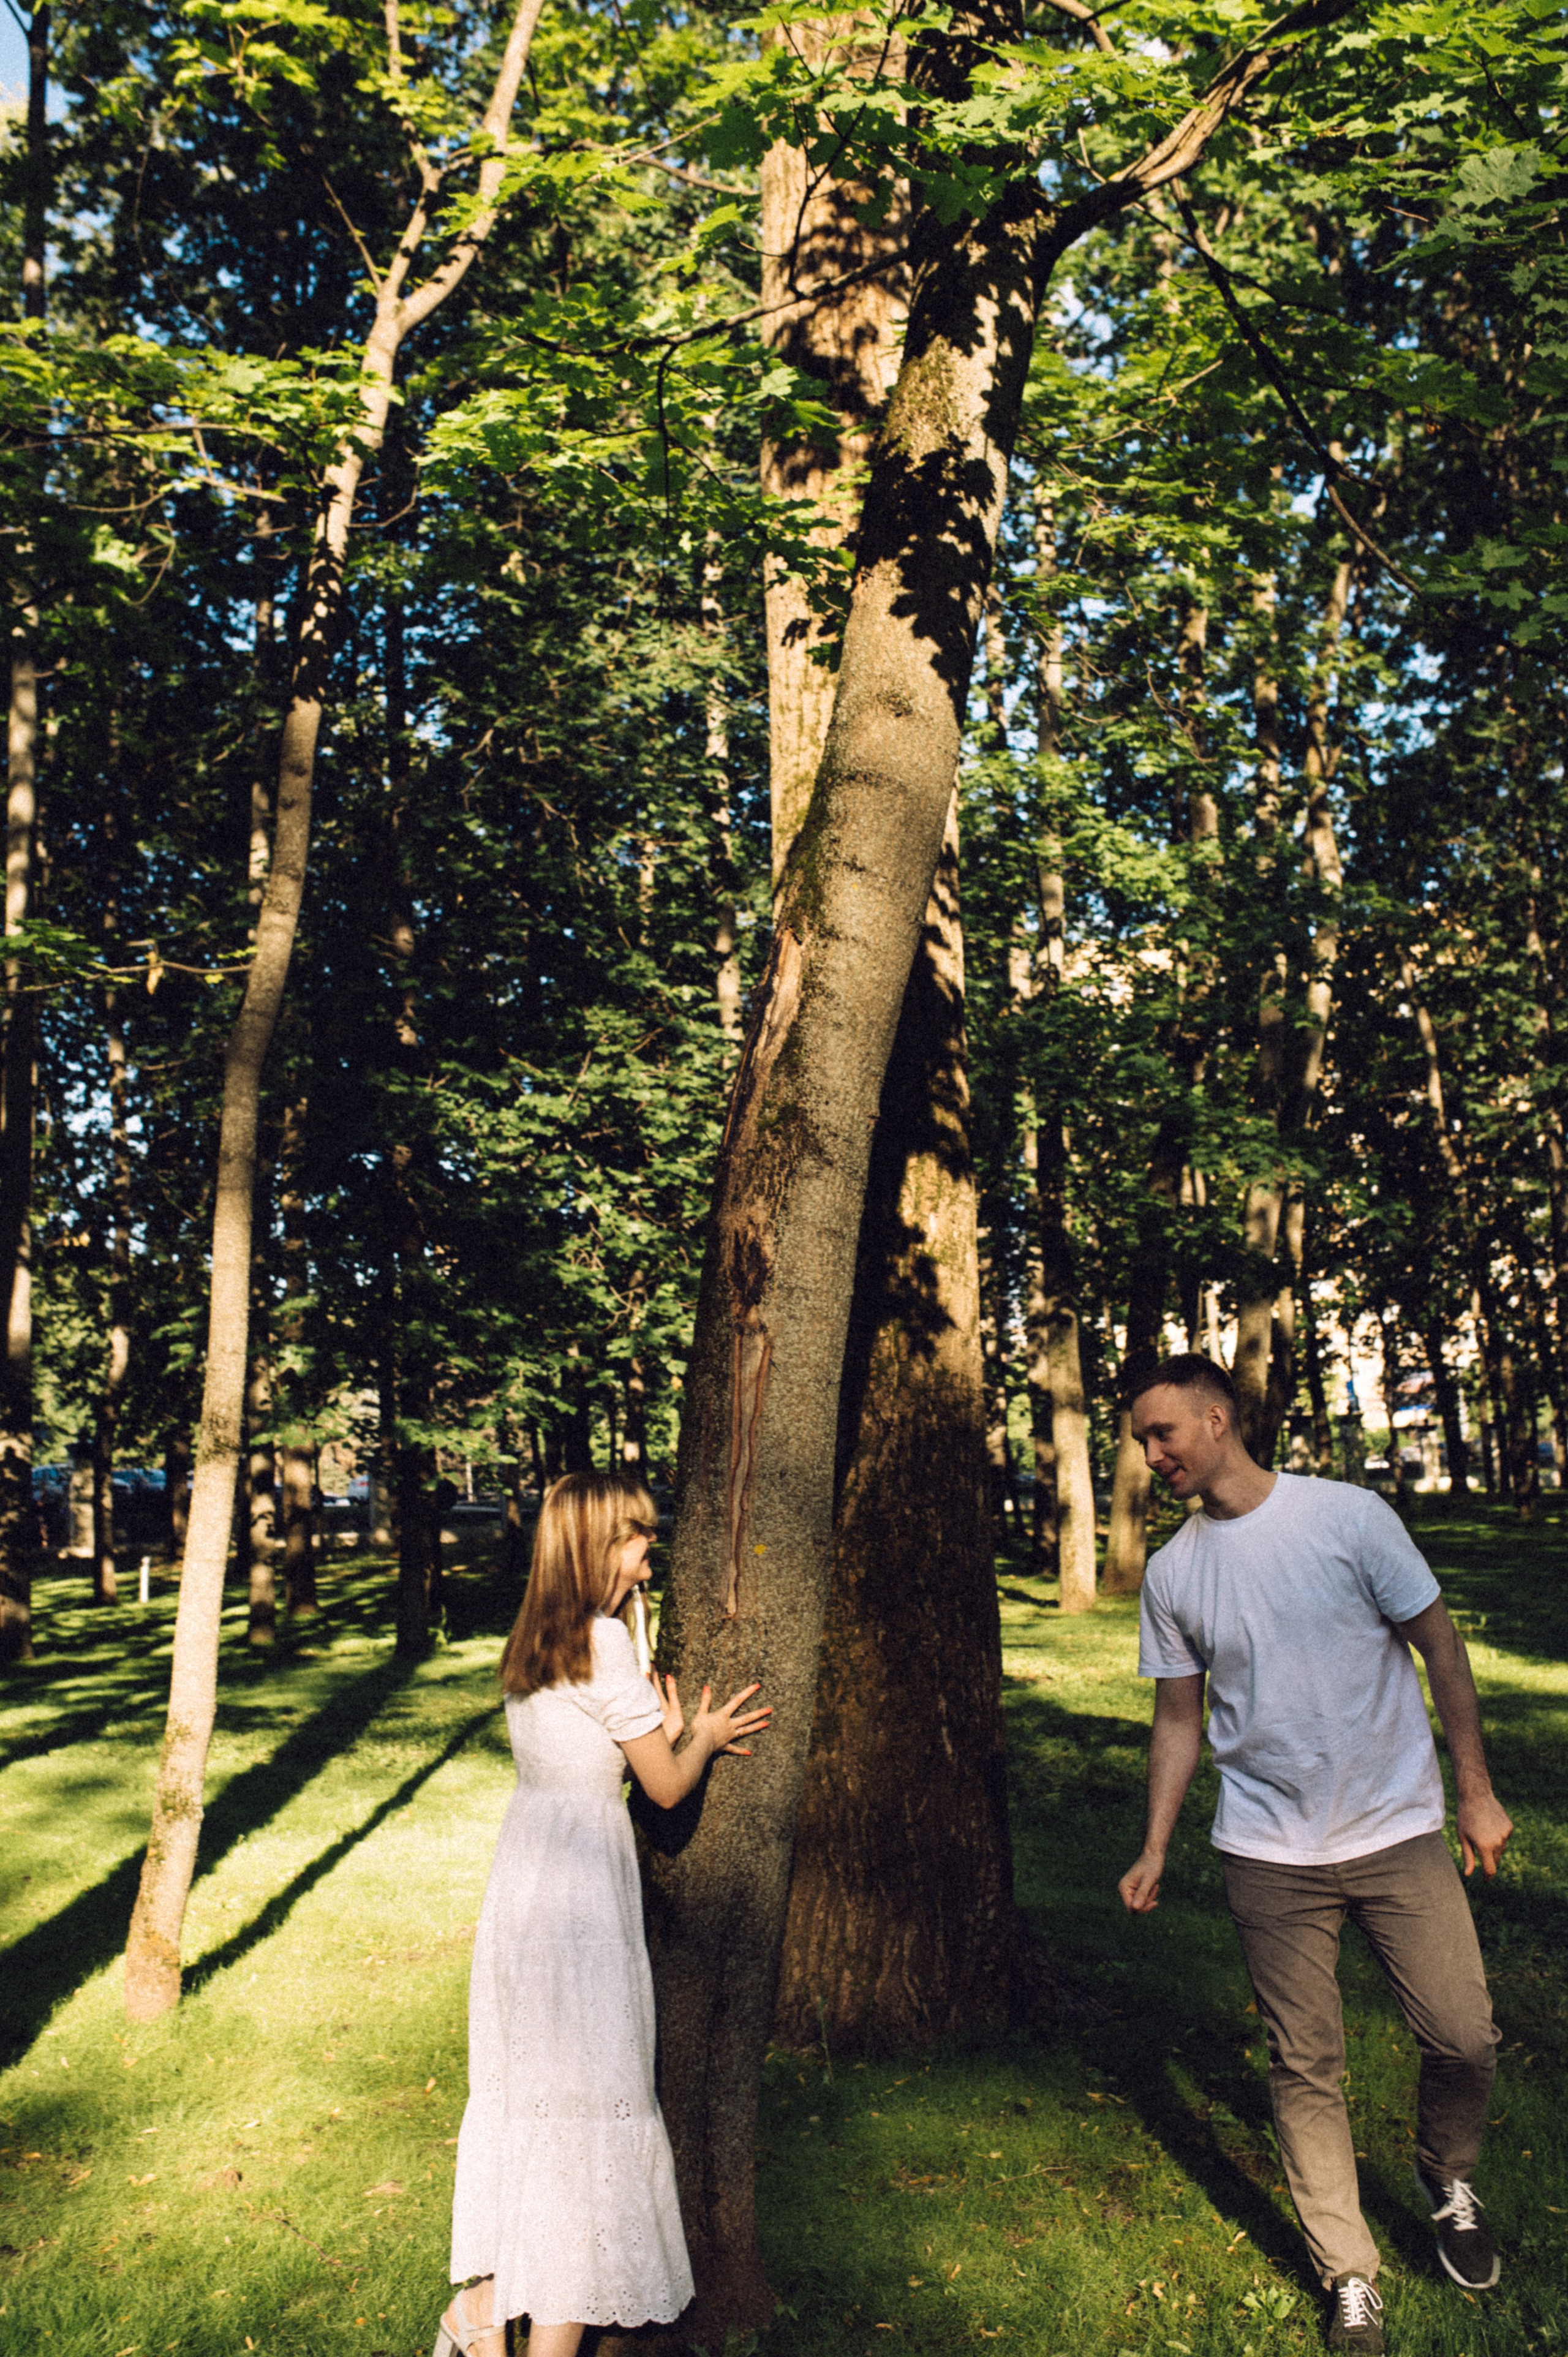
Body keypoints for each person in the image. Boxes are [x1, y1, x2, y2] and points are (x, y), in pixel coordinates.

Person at [1117, 1354, 1512, 2356]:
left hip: (1393, 1828)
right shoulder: (1174, 1573)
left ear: (1216, 1419)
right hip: (1266, 1850)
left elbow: (1442, 1644)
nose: (1149, 1454)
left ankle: (1446, 2174)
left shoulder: (1350, 1518)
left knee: (1463, 2035)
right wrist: (1156, 1843)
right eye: (1139, 1440)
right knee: (1305, 2064)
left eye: (1162, 1433)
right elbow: (1177, 1718)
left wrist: (1474, 1789)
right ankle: (1350, 2275)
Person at [436, 1470, 772, 2357]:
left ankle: (490, 2316)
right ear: (598, 1546)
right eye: (639, 1541)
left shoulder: (533, 1639)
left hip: (528, 1885)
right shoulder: (603, 1642)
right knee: (592, 2108)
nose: (650, 1559)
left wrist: (650, 1733)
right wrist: (695, 1738)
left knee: (555, 2111)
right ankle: (497, 2320)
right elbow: (661, 1787)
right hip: (582, 1896)